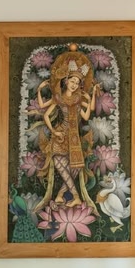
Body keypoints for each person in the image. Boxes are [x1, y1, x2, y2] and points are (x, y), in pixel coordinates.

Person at [36, 46, 98, 208]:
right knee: (59, 162)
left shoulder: (78, 99)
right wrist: (54, 131)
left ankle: (60, 195)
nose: (74, 85)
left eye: (77, 83)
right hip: (61, 135)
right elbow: (45, 113)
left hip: (74, 137)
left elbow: (87, 114)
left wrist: (91, 95)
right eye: (72, 81)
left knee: (76, 168)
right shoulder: (59, 98)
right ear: (66, 81)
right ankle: (76, 197)